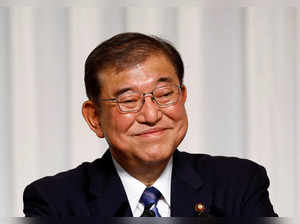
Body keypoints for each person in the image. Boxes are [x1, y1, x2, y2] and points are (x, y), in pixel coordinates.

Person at [23, 32, 277, 217]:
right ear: (94, 117)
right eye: (129, 100)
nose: (152, 114)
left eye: (165, 94)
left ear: (183, 96)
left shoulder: (238, 183)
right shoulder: (54, 202)